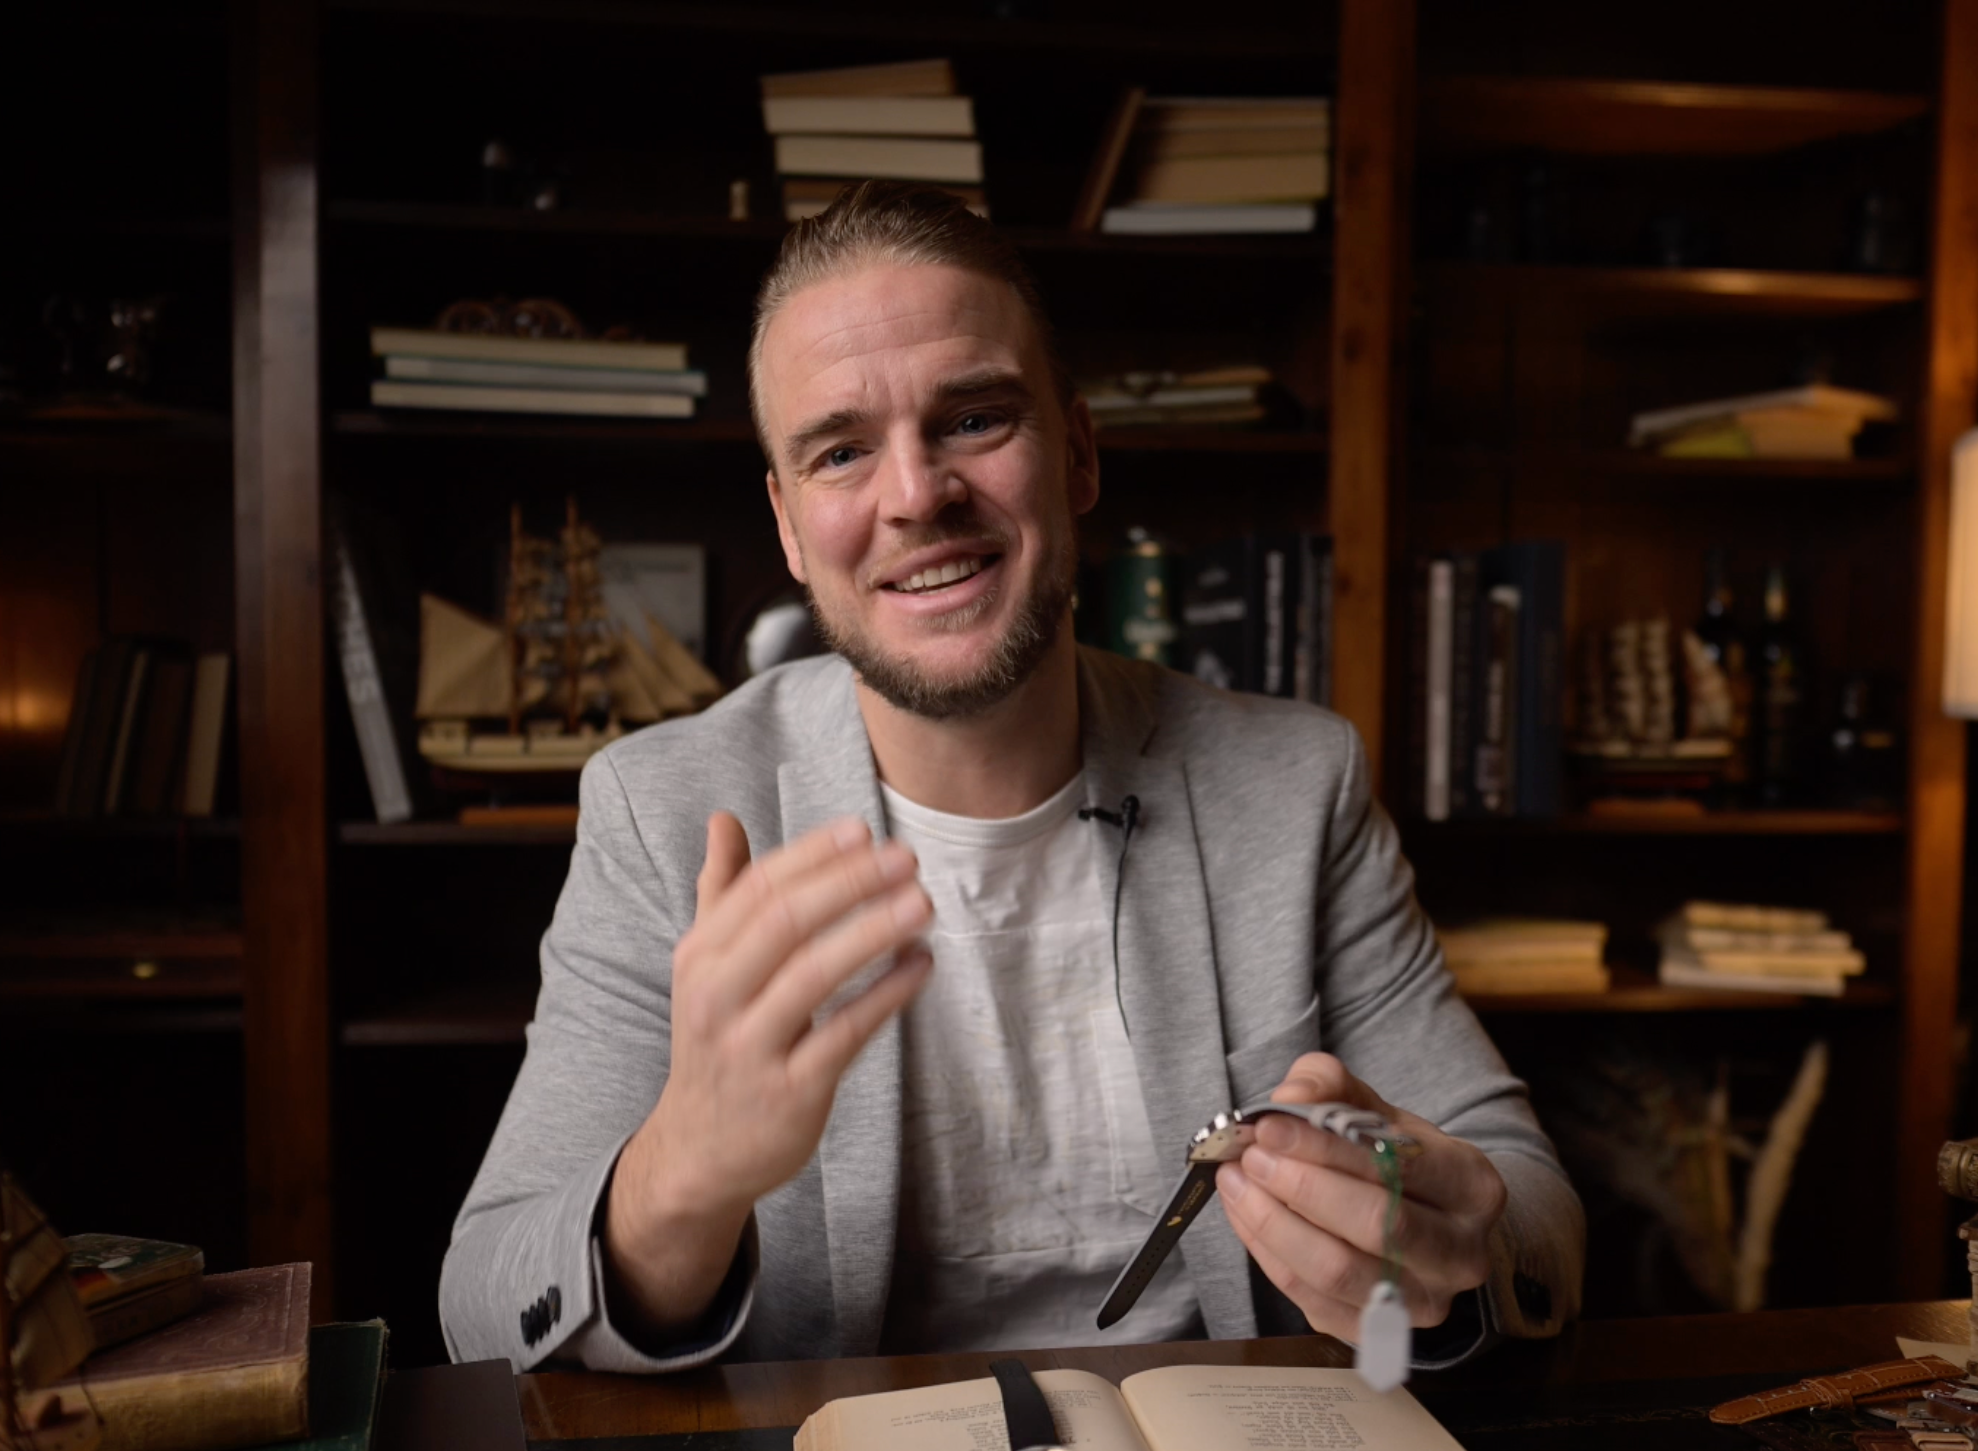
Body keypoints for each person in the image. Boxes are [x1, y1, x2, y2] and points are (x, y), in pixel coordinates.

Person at [440, 182, 1582, 1373]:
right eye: (840, 451)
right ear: (786, 525)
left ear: (1077, 451)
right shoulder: (663, 810)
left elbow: (1535, 1211)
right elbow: (483, 1305)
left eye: (974, 419)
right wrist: (686, 1166)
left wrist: (1440, 1232)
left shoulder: (1296, 783)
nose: (915, 495)